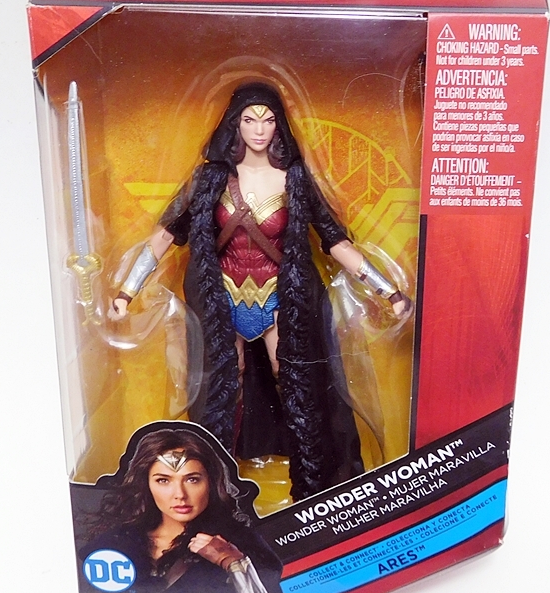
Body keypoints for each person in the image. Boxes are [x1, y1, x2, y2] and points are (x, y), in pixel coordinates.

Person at [110, 81, 410, 500]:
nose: (259, 129)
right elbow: (165, 236)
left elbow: (335, 241)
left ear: (278, 126)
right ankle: (215, 487)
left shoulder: (294, 180)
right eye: (250, 120)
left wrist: (388, 290)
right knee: (221, 386)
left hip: (278, 297)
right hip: (222, 297)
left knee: (294, 380)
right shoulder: (210, 179)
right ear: (235, 124)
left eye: (268, 120)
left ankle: (312, 483)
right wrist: (126, 291)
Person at [80, 426, 284, 593]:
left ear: (211, 482)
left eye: (192, 479)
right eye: (163, 480)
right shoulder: (114, 543)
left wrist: (233, 562)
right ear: (146, 484)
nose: (179, 494)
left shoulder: (241, 543)